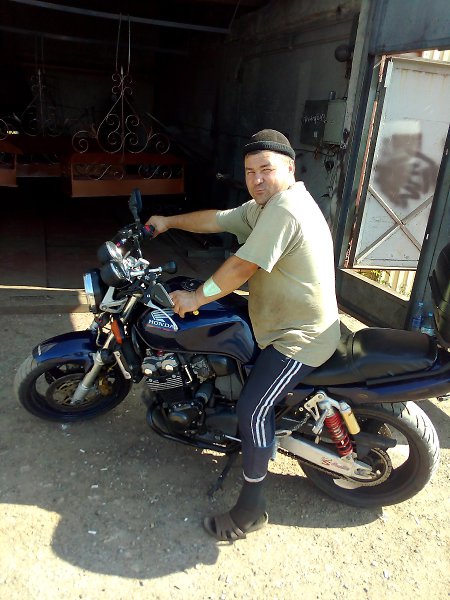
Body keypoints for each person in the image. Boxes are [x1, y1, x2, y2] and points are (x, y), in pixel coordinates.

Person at [145, 129, 340, 541]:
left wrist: (196, 297)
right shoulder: (265, 206)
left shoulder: (286, 209)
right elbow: (217, 219)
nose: (257, 179)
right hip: (276, 321)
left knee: (253, 408)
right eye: (250, 171)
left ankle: (251, 509)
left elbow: (241, 267)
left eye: (266, 169)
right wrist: (168, 222)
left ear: (290, 168)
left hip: (299, 337)